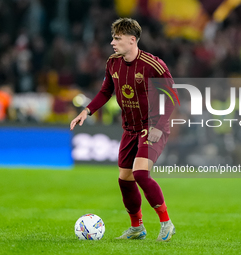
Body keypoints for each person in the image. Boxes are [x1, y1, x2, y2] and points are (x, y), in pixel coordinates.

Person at [70, 18, 176, 241]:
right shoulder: (113, 63)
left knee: (140, 173)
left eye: (117, 39)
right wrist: (86, 111)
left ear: (132, 40)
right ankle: (137, 227)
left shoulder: (154, 65)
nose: (112, 43)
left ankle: (166, 223)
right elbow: (105, 91)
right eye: (113, 38)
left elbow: (172, 98)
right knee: (124, 178)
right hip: (130, 128)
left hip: (152, 126)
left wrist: (158, 126)